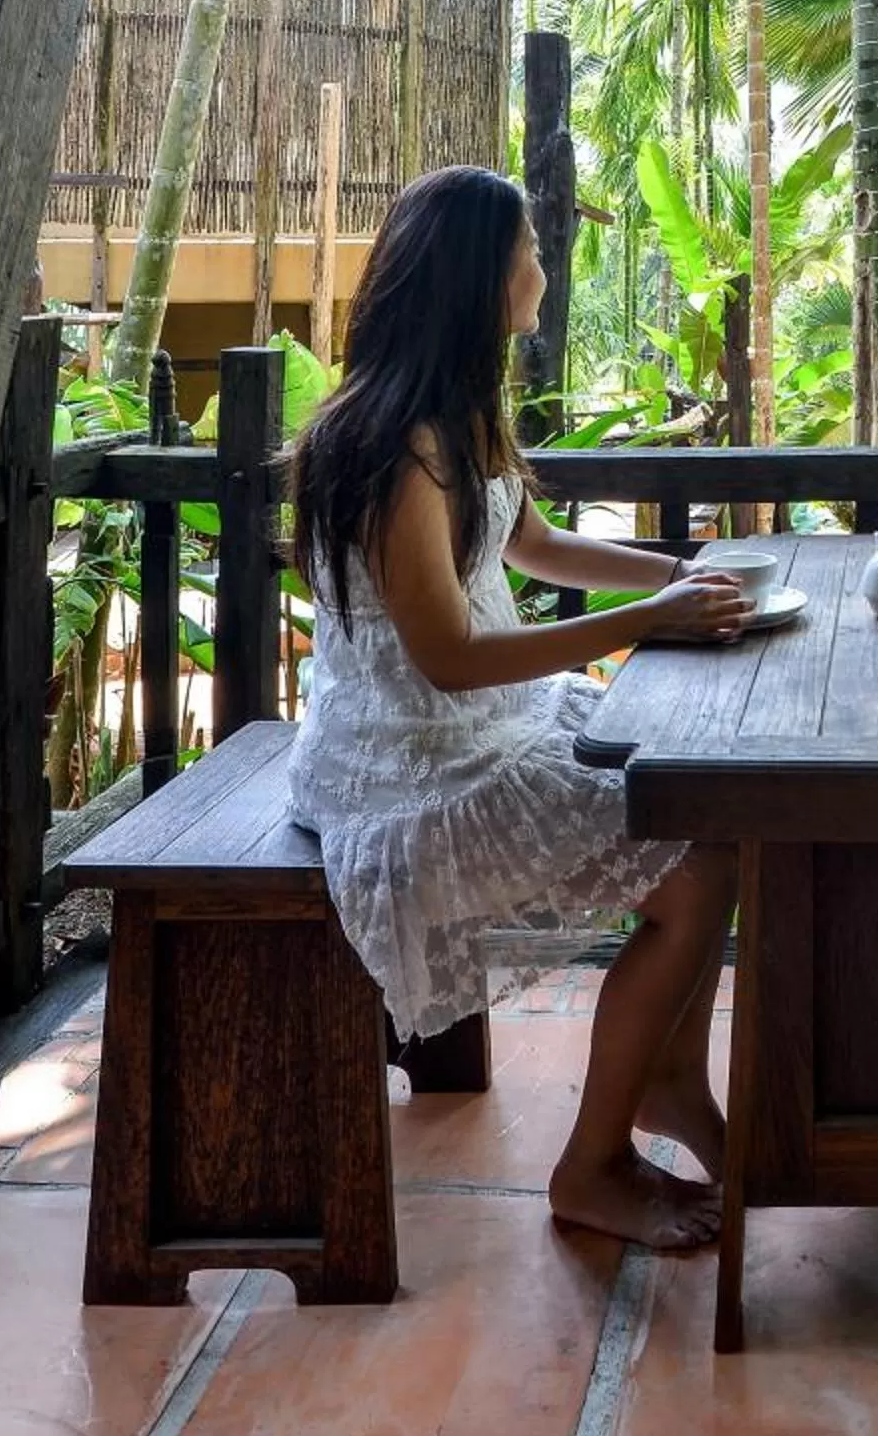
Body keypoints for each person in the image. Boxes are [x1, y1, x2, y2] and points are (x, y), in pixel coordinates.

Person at [288, 165, 747, 1254]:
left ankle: (670, 1083)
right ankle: (591, 1166)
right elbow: (447, 658)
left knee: (714, 823)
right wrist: (651, 625)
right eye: (528, 252)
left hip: (475, 731)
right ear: (479, 280)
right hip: (406, 769)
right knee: (696, 872)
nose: (542, 269)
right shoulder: (398, 446)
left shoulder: (457, 411)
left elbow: (531, 544)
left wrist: (683, 569)